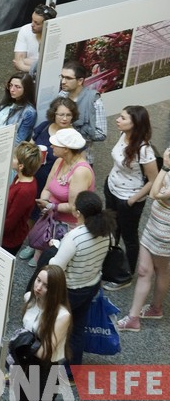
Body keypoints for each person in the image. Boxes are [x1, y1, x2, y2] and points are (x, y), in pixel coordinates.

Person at [49, 191, 114, 377]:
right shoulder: (106, 230)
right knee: (77, 329)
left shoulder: (75, 237)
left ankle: (45, 366)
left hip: (69, 290)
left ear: (77, 213)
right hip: (91, 285)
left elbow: (57, 266)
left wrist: (56, 248)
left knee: (53, 326)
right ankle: (71, 372)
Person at [103, 106, 158, 289]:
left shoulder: (144, 150)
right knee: (112, 229)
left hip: (129, 198)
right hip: (112, 188)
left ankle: (126, 275)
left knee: (129, 236)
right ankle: (111, 264)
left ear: (135, 124)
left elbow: (153, 180)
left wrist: (133, 200)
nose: (118, 120)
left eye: (123, 118)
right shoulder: (122, 135)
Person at [117, 148, 170, 332]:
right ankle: (141, 314)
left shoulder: (168, 167)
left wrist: (165, 167)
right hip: (154, 225)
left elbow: (154, 192)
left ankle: (151, 310)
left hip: (164, 231)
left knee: (160, 269)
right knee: (144, 270)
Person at [33, 128, 95, 267]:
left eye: (55, 144)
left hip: (67, 228)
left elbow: (74, 207)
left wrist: (50, 206)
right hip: (51, 221)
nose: (51, 146)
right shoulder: (59, 161)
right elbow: (47, 188)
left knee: (55, 266)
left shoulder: (80, 172)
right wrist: (45, 201)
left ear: (66, 149)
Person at [16, 265, 71, 399]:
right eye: (38, 280)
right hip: (24, 362)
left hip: (45, 370)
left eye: (46, 285)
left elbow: (45, 352)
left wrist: (20, 340)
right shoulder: (29, 298)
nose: (38, 287)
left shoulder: (62, 316)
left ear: (55, 291)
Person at [58, 60, 107, 161]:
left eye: (68, 78)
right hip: (61, 156)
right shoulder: (61, 95)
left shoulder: (94, 100)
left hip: (82, 159)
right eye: (62, 77)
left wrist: (76, 132)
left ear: (80, 81)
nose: (63, 81)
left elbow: (102, 134)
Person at [2, 142, 41, 256]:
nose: (11, 158)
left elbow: (10, 222)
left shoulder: (24, 191)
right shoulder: (21, 178)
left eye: (14, 158)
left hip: (9, 240)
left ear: (21, 166)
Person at [0, 72, 37, 145]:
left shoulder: (29, 112)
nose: (12, 89)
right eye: (10, 85)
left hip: (0, 147)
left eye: (17, 87)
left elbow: (19, 140)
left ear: (26, 89)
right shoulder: (8, 102)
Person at [12, 3, 57, 73]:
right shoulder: (25, 30)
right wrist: (37, 65)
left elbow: (50, 68)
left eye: (37, 23)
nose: (32, 25)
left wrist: (24, 66)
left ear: (47, 25)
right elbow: (18, 62)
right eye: (32, 20)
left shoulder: (54, 35)